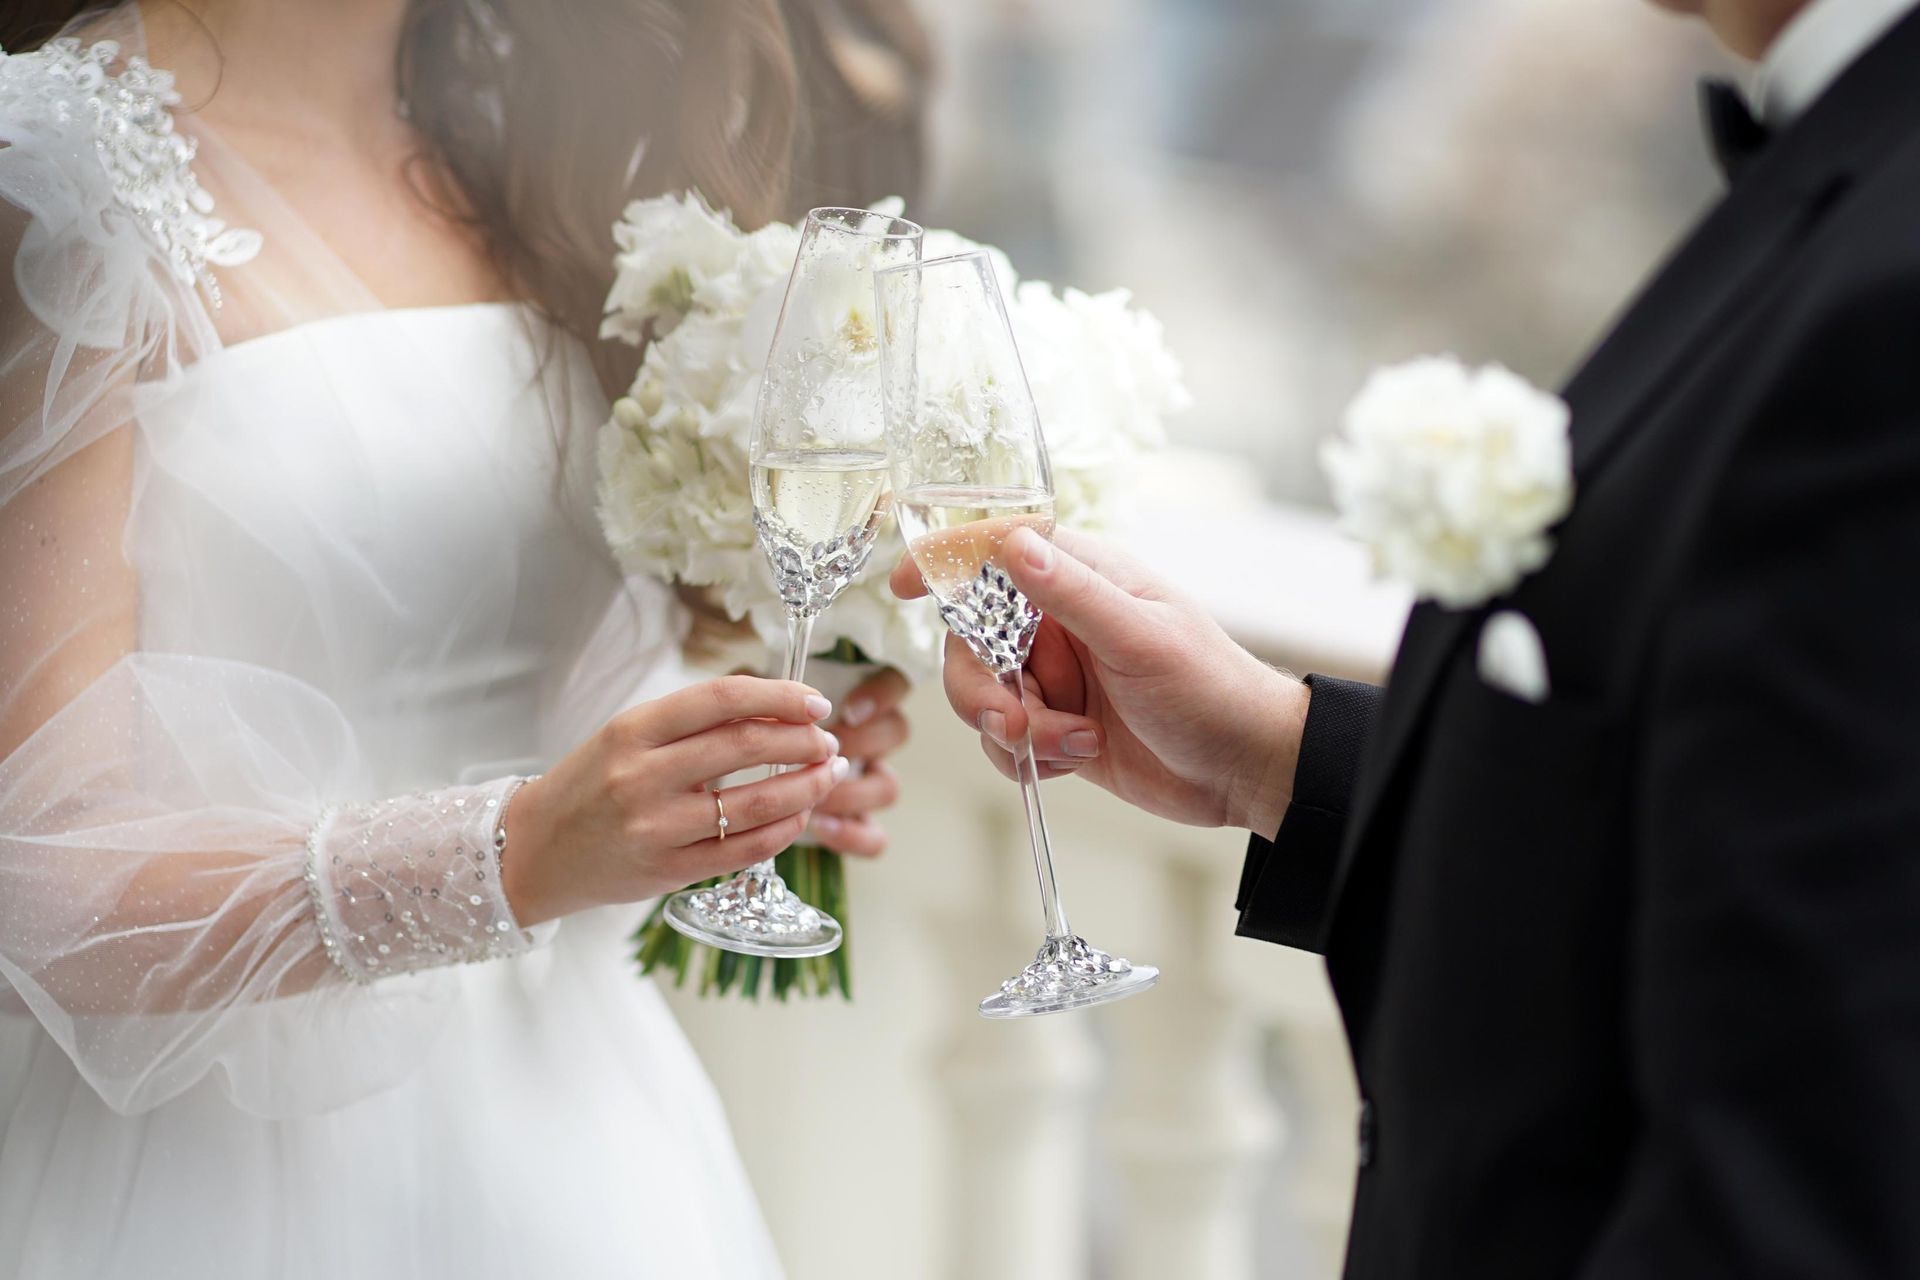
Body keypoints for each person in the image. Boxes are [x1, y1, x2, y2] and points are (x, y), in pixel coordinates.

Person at [898, 0, 1920, 1274]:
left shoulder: (1894, 282)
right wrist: (1278, 756)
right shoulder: (1847, 167)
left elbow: (1809, 1161)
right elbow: (1708, 829)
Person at [0, 1, 924, 1276]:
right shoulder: (49, 175)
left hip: (583, 1137)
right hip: (207, 1171)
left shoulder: (533, 149)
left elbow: (494, 653)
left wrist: (702, 790)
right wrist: (510, 853)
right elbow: (38, 882)